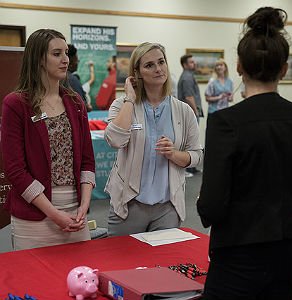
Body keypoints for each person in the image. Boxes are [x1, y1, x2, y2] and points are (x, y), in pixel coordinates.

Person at [197, 7, 292, 300]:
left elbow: (212, 206)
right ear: (283, 69)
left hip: (238, 255)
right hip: (287, 251)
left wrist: (202, 202)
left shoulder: (225, 122)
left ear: (239, 66)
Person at [1, 29, 95, 250]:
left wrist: (84, 205)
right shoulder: (15, 104)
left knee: (82, 282)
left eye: (65, 53)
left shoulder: (75, 103)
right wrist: (54, 214)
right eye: (57, 54)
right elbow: (16, 171)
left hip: (75, 216)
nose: (65, 60)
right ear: (39, 59)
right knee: (36, 284)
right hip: (35, 219)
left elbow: (88, 161)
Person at [104, 42, 202, 236]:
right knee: (122, 264)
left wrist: (174, 154)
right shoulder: (121, 105)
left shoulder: (183, 111)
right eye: (149, 65)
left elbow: (197, 155)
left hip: (167, 207)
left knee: (163, 265)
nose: (158, 69)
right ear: (137, 72)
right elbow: (114, 140)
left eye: (161, 62)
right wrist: (130, 99)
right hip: (128, 205)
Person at [177, 54, 204, 176]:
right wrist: (195, 112)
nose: (194, 64)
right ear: (185, 64)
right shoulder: (187, 78)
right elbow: (188, 97)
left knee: (192, 140)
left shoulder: (189, 76)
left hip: (190, 112)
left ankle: (192, 167)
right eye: (191, 62)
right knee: (189, 140)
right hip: (190, 113)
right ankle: (187, 168)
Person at [66, 44, 92, 112]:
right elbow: (81, 106)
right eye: (76, 61)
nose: (77, 64)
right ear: (70, 61)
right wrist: (88, 107)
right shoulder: (72, 80)